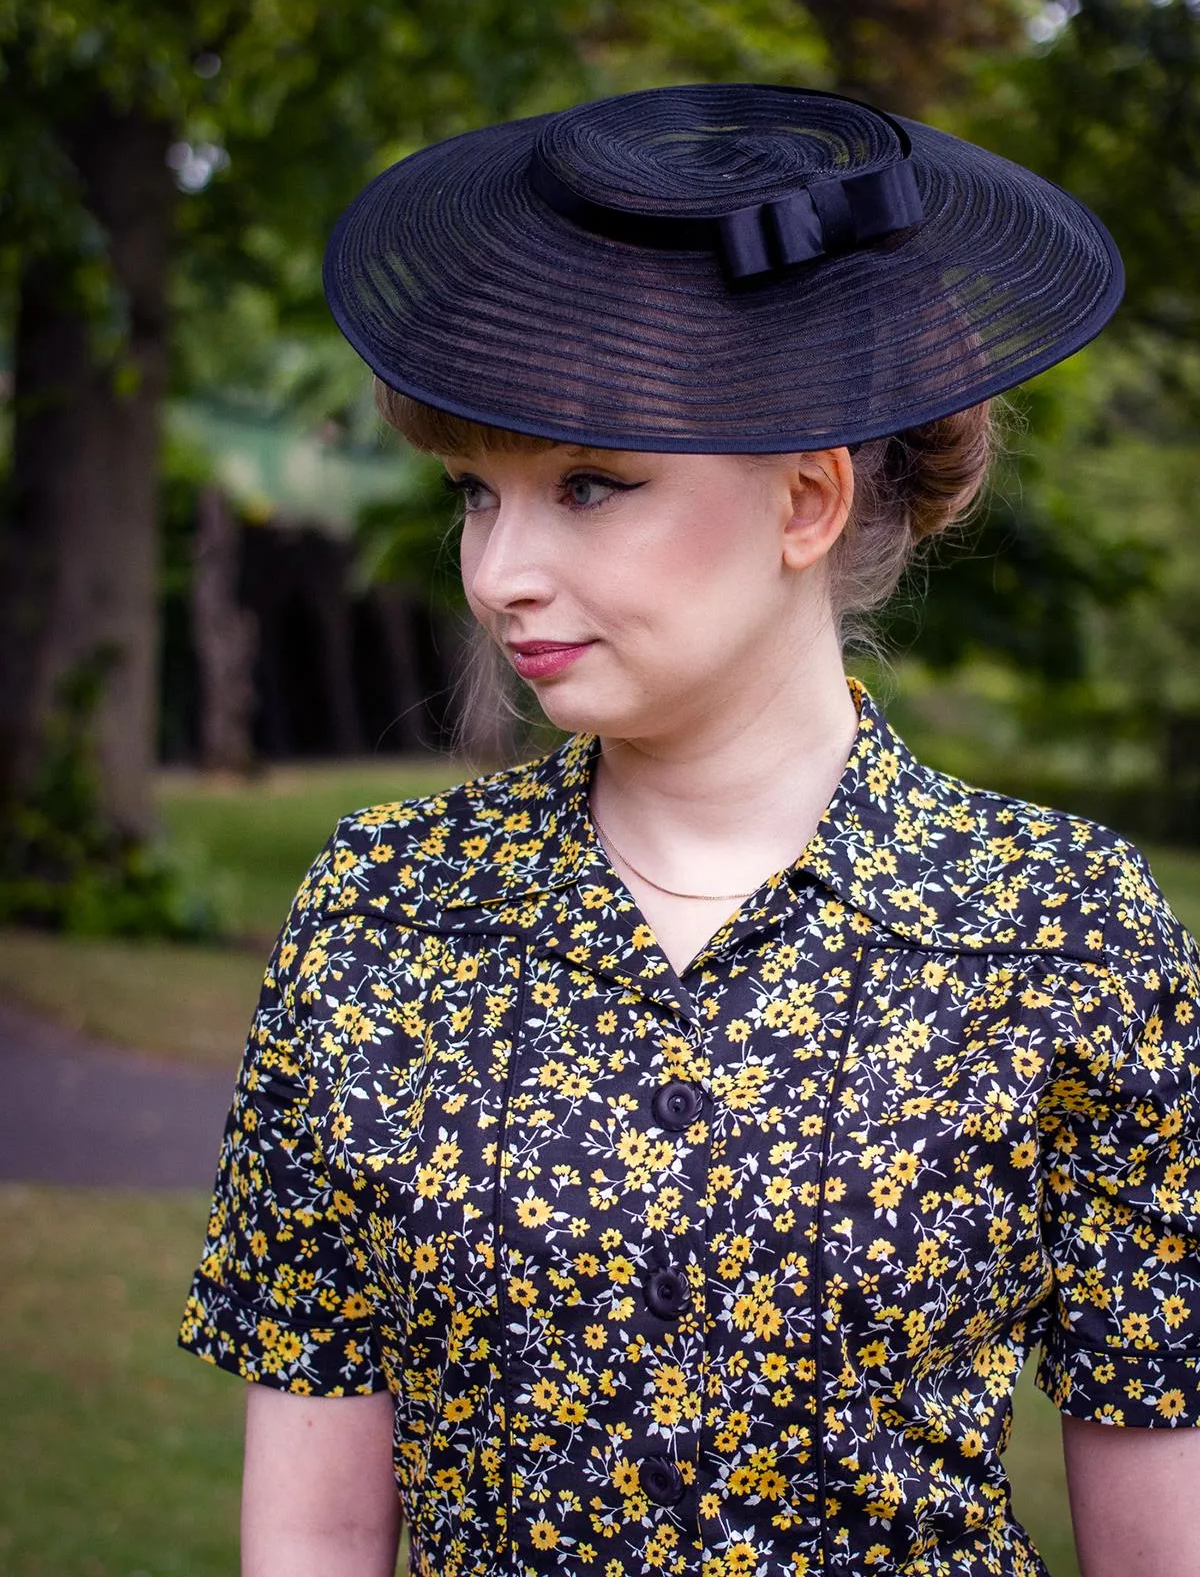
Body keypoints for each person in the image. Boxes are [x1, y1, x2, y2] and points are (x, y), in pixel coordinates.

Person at [178, 84, 1200, 1577]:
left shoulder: (1066, 933)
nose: (501, 573)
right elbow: (317, 1527)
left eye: (589, 485)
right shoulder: (380, 918)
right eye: (477, 494)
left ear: (804, 495)